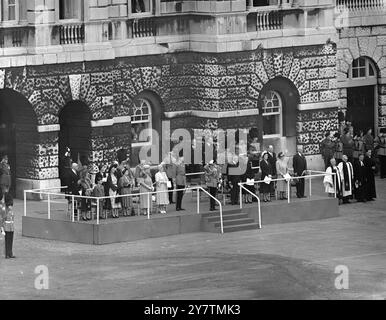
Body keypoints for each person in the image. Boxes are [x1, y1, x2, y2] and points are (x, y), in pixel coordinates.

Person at [0, 189, 15, 259]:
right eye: (10, 206)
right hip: (6, 228)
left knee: (10, 241)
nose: (11, 207)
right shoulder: (4, 211)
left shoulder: (11, 211)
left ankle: (10, 253)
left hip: (11, 228)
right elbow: (2, 220)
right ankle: (6, 254)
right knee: (6, 241)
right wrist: (2, 229)